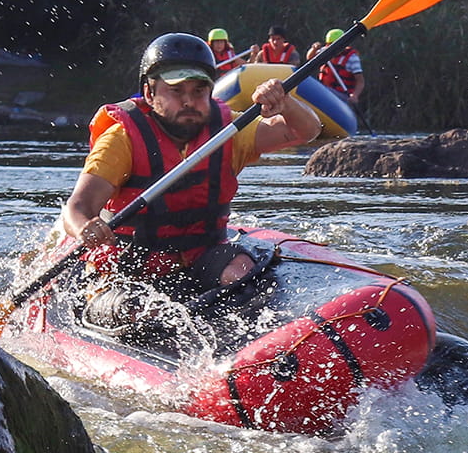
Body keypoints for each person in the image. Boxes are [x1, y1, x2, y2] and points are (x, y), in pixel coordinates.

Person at [61, 33, 321, 338]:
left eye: (199, 91)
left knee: (243, 273)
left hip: (200, 257)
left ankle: (250, 345)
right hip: (127, 268)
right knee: (143, 313)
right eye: (175, 91)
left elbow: (307, 130)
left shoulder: (229, 131)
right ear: (149, 92)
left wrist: (285, 104)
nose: (188, 101)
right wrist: (83, 228)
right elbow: (78, 207)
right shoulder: (121, 139)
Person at [309, 28, 364, 105]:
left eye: (335, 45)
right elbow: (310, 58)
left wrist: (355, 95)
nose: (333, 48)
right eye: (330, 45)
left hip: (342, 95)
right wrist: (314, 49)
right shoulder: (325, 51)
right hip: (324, 90)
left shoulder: (352, 58)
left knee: (322, 91)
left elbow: (360, 81)